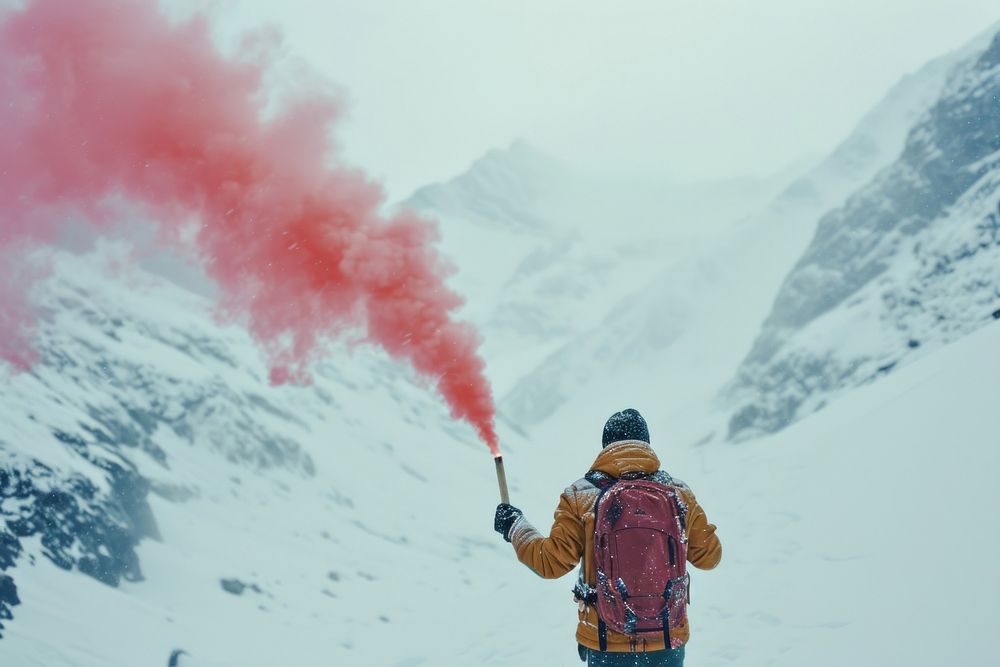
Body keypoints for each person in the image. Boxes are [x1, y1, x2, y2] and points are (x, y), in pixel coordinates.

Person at [494, 409, 722, 666]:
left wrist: (515, 526)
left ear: (605, 448)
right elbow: (709, 557)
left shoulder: (581, 495)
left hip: (605, 643)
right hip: (667, 639)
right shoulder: (679, 494)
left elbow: (551, 563)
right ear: (646, 445)